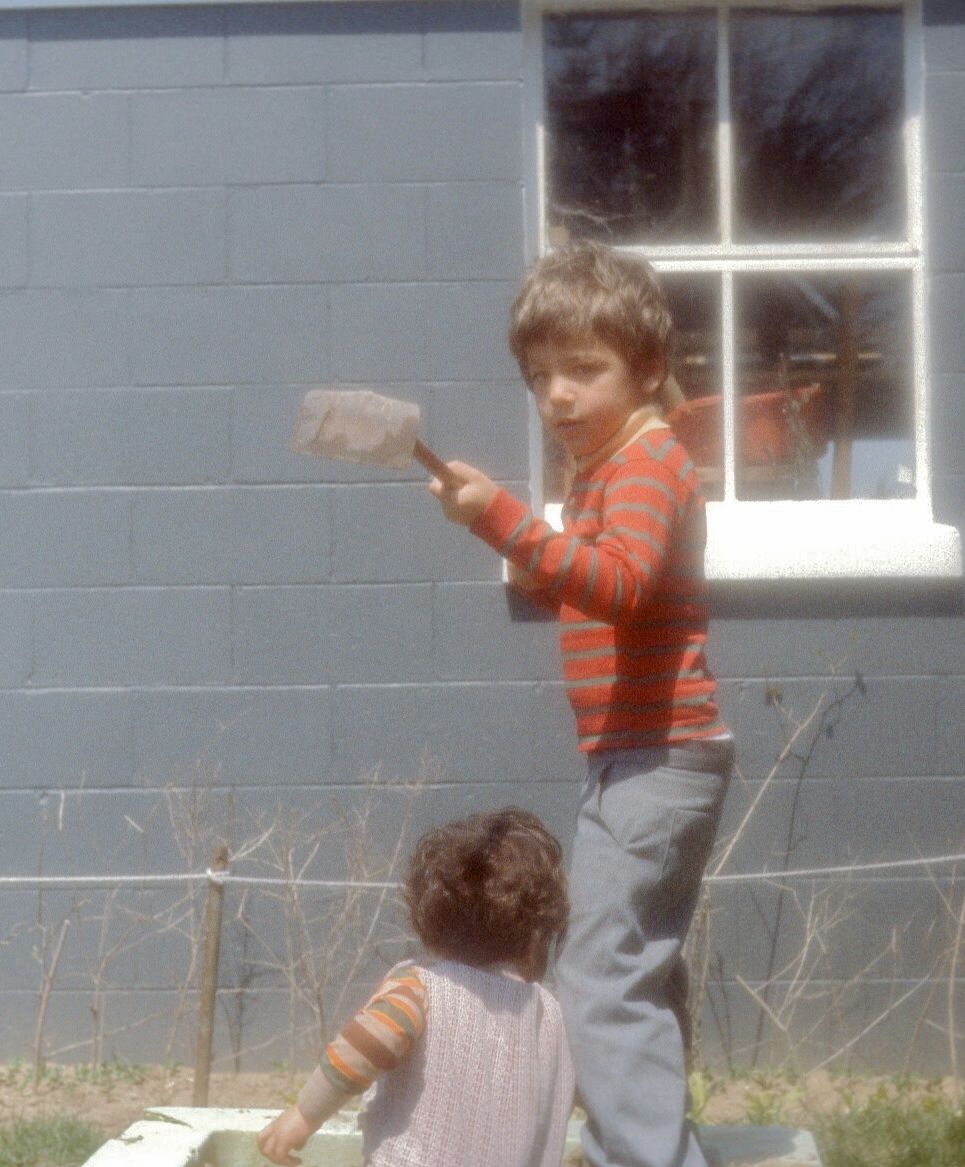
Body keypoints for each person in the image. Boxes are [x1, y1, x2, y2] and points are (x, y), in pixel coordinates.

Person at [429, 239, 733, 1167]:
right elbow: (586, 585)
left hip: (658, 757)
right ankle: (646, 1143)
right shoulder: (611, 469)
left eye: (584, 370)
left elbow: (623, 584)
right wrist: (532, 556)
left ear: (648, 369)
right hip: (639, 756)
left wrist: (502, 518)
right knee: (636, 965)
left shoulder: (645, 465)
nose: (557, 395)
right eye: (540, 377)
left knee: (599, 975)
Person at [256, 808, 575, 1167]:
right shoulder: (555, 1018)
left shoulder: (421, 989)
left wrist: (304, 1114)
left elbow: (364, 1046)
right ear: (536, 941)